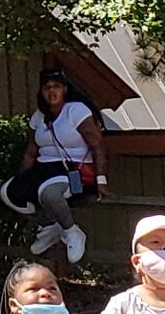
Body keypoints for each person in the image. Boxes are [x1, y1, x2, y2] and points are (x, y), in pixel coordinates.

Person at [8, 67, 101, 264]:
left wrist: (102, 179)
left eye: (56, 86)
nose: (52, 92)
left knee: (48, 193)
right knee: (10, 192)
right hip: (43, 167)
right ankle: (51, 226)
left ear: (65, 89)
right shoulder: (39, 116)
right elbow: (31, 152)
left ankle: (71, 231)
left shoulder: (76, 111)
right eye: (47, 87)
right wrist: (21, 179)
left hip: (73, 168)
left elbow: (97, 145)